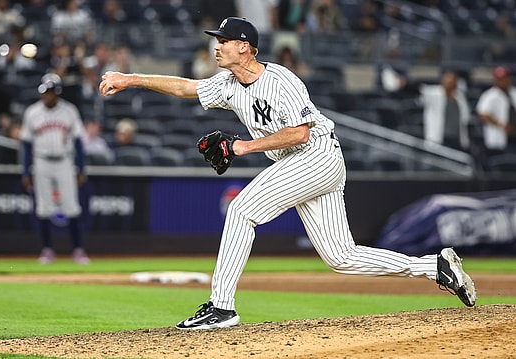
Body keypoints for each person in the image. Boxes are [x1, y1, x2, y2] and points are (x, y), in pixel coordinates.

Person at [99, 17, 476, 330]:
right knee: (341, 256)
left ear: (245, 46)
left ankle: (221, 306)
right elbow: (186, 87)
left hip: (316, 155)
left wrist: (243, 146)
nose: (216, 46)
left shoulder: (281, 81)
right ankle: (434, 266)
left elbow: (300, 132)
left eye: (224, 40)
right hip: (300, 162)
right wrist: (130, 78)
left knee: (242, 210)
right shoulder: (229, 85)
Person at [20, 73, 90, 265]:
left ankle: (77, 250)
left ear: (58, 93)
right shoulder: (32, 113)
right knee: (43, 207)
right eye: (46, 92)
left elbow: (78, 142)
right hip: (41, 161)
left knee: (72, 206)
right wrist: (25, 171)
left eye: (51, 93)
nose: (48, 96)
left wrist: (81, 168)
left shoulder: (69, 111)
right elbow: (26, 145)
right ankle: (47, 250)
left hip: (64, 161)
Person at [419, 69, 471, 150]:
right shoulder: (434, 93)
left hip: (456, 139)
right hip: (438, 138)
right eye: (447, 78)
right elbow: (419, 92)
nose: (449, 81)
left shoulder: (460, 97)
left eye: (452, 79)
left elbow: (465, 118)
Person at [476, 66, 516, 159]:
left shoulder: (514, 92)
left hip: (514, 136)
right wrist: (500, 124)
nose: (502, 81)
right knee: (502, 165)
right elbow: (483, 114)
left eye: (504, 78)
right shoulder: (489, 95)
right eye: (499, 79)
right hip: (499, 138)